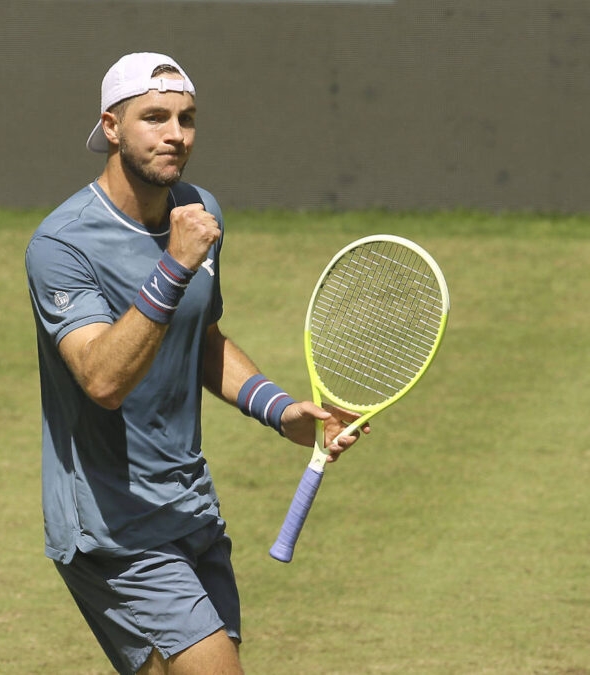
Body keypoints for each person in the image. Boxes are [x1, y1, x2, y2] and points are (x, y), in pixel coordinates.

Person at [24, 52, 363, 675]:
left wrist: (282, 410)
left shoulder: (199, 211)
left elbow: (201, 339)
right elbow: (102, 380)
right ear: (112, 127)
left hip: (188, 504)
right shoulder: (61, 245)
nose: (175, 134)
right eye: (154, 118)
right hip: (112, 524)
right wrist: (175, 265)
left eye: (186, 118)